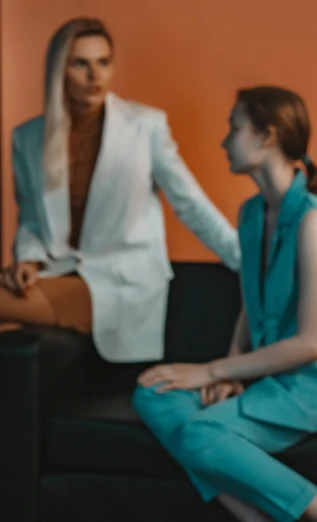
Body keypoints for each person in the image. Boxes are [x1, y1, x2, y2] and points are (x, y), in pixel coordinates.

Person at [132, 86, 317, 522]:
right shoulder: (251, 213)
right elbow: (254, 302)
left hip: (316, 384)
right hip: (264, 377)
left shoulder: (316, 222)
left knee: (198, 435)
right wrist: (234, 365)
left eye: (234, 128)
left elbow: (311, 345)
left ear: (267, 136)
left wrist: (213, 370)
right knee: (153, 395)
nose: (224, 141)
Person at [1, 18, 240, 362]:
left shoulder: (145, 127)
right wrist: (27, 257)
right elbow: (31, 218)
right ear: (58, 69)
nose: (94, 76)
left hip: (119, 281)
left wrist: (245, 260)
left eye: (104, 62)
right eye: (80, 63)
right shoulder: (27, 138)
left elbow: (191, 204)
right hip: (57, 272)